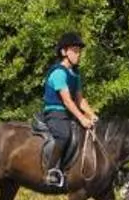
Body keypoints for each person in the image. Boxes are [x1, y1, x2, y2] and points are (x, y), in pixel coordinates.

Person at [36, 32, 97, 189]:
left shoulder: (74, 74)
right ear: (64, 52)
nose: (78, 54)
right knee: (64, 135)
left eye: (79, 51)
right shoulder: (58, 73)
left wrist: (91, 114)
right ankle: (51, 171)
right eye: (74, 51)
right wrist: (82, 119)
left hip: (68, 114)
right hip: (55, 113)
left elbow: (80, 100)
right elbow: (67, 101)